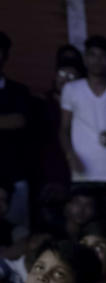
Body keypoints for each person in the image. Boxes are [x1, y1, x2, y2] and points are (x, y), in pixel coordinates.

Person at [60, 36, 106, 215]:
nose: (97, 60)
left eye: (102, 56)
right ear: (85, 59)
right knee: (82, 222)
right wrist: (71, 157)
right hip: (82, 171)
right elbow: (64, 130)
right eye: (92, 55)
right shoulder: (71, 89)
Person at [0, 32, 31, 238]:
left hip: (13, 173)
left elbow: (19, 121)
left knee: (18, 235)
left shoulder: (19, 90)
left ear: (5, 56)